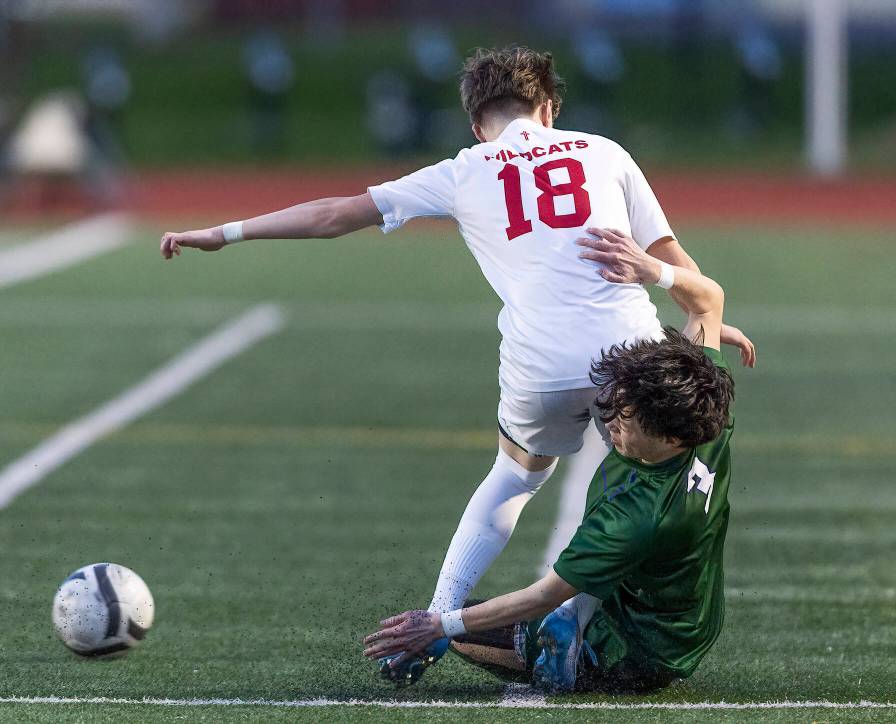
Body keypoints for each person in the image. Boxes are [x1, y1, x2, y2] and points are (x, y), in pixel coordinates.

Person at [160, 45, 754, 685]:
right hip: (630, 349)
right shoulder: (604, 151)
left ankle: (437, 621)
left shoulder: (465, 169)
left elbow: (334, 215)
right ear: (549, 108)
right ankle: (585, 614)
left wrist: (224, 232)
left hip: (542, 360)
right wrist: (708, 324)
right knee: (641, 479)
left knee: (515, 477)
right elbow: (665, 253)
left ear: (477, 123)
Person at [363, 232, 737, 693]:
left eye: (626, 418)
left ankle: (577, 645)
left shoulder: (636, 515)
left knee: (472, 627)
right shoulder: (705, 411)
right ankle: (573, 619)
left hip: (642, 649)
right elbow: (708, 301)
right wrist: (652, 270)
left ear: (670, 436)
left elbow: (542, 592)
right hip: (686, 617)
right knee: (589, 586)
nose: (610, 420)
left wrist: (440, 626)